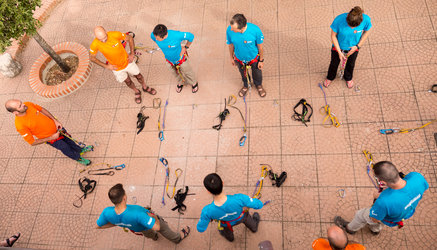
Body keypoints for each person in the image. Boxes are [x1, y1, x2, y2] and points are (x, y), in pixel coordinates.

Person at [334, 161, 429, 235]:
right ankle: (375, 230)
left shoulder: (384, 201)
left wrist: (378, 197)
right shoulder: (417, 177)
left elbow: (375, 218)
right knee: (381, 220)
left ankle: (350, 229)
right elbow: (421, 187)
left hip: (386, 214)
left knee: (361, 215)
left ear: (382, 183)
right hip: (403, 214)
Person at [5, 100, 92, 165]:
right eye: (20, 106)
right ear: (15, 112)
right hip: (51, 139)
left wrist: (55, 120)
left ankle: (80, 150)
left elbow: (42, 110)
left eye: (21, 102)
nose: (23, 104)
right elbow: (32, 142)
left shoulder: (28, 104)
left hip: (57, 128)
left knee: (69, 140)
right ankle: (77, 158)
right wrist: (52, 138)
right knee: (65, 147)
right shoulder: (20, 125)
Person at [96, 184, 190, 243]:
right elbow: (157, 227)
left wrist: (116, 223)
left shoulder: (106, 212)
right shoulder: (138, 214)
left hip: (139, 228)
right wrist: (155, 218)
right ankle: (177, 238)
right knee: (163, 228)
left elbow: (98, 226)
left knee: (149, 233)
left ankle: (155, 237)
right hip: (147, 222)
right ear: (124, 197)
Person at [90, 26, 156, 104]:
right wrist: (106, 66)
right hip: (116, 68)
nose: (104, 40)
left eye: (105, 37)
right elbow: (92, 58)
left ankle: (145, 87)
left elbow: (130, 38)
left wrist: (132, 53)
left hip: (128, 62)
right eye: (100, 39)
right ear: (96, 37)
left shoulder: (115, 34)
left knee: (139, 76)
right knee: (128, 82)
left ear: (106, 31)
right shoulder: (94, 44)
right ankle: (136, 91)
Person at [197, 173, 263, 242]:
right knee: (248, 219)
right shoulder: (240, 198)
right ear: (222, 183)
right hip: (241, 217)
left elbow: (201, 228)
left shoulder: (207, 211)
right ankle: (254, 228)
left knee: (226, 231)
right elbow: (259, 205)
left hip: (226, 223)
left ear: (208, 191)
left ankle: (230, 238)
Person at [323, 6, 372, 89]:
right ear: (347, 17)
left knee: (351, 64)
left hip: (354, 48)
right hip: (338, 47)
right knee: (334, 64)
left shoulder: (366, 19)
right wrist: (339, 52)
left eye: (355, 27)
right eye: (350, 26)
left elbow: (367, 32)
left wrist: (357, 47)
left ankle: (348, 77)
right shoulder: (338, 20)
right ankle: (330, 77)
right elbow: (333, 36)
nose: (352, 28)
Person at [226, 13, 266, 98]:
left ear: (242, 28)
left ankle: (258, 85)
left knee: (257, 73)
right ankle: (246, 85)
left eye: (234, 29)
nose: (231, 30)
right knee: (243, 73)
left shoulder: (255, 30)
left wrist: (261, 60)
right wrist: (231, 58)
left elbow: (260, 47)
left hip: (254, 58)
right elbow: (230, 45)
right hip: (239, 59)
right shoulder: (229, 30)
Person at [151, 24, 199, 93]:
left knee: (187, 71)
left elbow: (191, 36)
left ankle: (194, 82)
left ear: (164, 37)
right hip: (169, 60)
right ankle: (181, 82)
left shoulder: (176, 35)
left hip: (180, 59)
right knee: (174, 73)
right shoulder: (153, 35)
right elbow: (153, 38)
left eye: (157, 38)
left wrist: (185, 47)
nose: (155, 39)